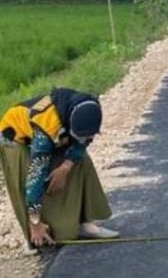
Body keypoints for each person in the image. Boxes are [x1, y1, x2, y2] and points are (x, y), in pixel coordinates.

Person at [0, 88, 118, 253]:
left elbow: (82, 142)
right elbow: (35, 179)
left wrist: (65, 167)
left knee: (81, 159)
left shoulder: (90, 109)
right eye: (77, 135)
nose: (83, 138)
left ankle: (85, 223)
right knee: (26, 174)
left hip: (56, 130)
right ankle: (34, 236)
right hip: (14, 138)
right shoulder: (46, 129)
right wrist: (35, 223)